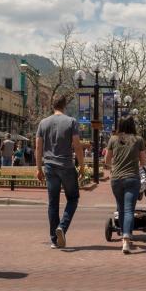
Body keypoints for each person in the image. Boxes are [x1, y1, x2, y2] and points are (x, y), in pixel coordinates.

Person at [36, 95, 84, 249]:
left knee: (53, 203)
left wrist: (38, 168)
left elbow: (38, 148)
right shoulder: (71, 122)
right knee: (73, 198)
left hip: (50, 166)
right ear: (65, 106)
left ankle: (54, 240)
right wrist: (82, 165)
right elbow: (77, 146)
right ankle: (62, 227)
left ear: (52, 105)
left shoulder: (43, 123)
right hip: (66, 165)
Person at [104, 117, 146, 254]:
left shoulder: (113, 139)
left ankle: (124, 233)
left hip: (116, 179)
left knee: (121, 208)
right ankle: (126, 238)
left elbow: (107, 160)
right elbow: (143, 161)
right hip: (131, 178)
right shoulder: (138, 140)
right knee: (129, 209)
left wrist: (114, 167)